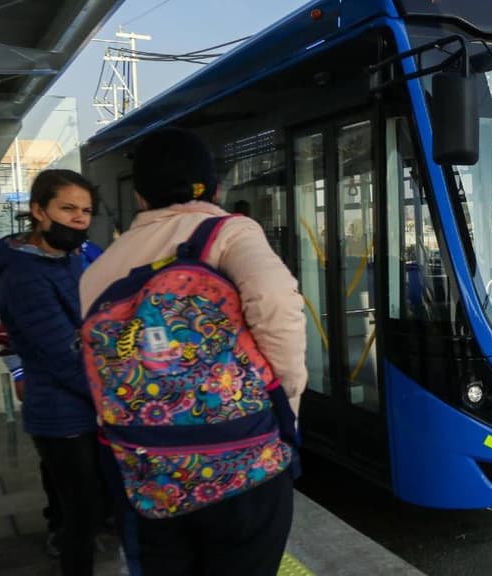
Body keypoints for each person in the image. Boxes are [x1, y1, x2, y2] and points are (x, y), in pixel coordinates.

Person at [80, 127, 307, 576]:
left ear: (141, 196)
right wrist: (286, 400)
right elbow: (278, 304)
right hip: (243, 465)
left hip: (149, 473)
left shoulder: (99, 268)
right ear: (215, 188)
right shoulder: (229, 233)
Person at [0, 169, 103, 576]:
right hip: (62, 414)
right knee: (80, 517)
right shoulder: (24, 272)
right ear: (39, 210)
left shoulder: (70, 256)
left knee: (89, 510)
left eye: (85, 211)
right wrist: (123, 396)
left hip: (86, 406)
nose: (78, 218)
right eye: (67, 208)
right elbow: (63, 355)